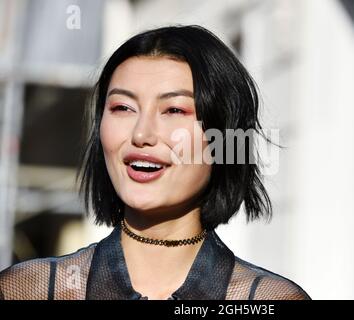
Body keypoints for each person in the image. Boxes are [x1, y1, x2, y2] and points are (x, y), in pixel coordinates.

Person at [0, 25, 310, 300]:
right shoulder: (30, 290)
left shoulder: (268, 300)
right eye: (122, 107)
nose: (142, 134)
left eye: (174, 110)